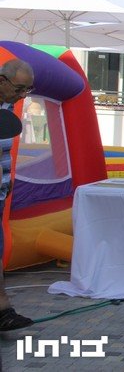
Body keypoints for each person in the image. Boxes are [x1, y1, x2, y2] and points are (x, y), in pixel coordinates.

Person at [0, 59, 35, 330]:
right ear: (2, 81)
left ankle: (4, 311)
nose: (22, 95)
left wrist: (6, 180)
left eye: (27, 90)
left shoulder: (8, 106)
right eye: (19, 88)